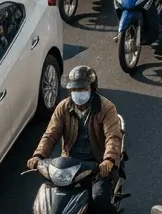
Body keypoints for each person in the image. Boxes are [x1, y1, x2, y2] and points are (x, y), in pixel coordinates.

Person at [28, 66, 123, 214]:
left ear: (92, 88)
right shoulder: (63, 107)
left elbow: (113, 137)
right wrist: (38, 155)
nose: (78, 93)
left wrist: (108, 160)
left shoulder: (106, 108)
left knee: (99, 202)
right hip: (69, 166)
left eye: (82, 89)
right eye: (74, 90)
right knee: (49, 201)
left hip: (97, 166)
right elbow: (50, 135)